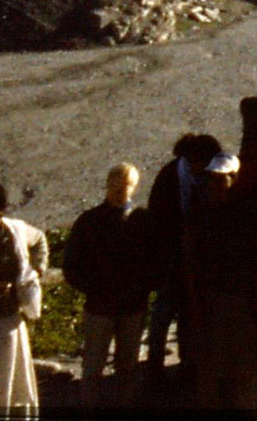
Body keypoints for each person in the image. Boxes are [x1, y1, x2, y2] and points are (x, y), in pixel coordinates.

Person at [183, 153, 257, 413]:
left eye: (223, 178)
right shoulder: (200, 215)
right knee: (211, 364)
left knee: (242, 365)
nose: (218, 183)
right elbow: (190, 260)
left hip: (237, 297)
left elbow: (255, 259)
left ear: (234, 178)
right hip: (210, 297)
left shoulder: (245, 213)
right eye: (214, 178)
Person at [65, 164, 149, 406]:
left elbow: (156, 259)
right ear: (107, 185)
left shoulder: (142, 220)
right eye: (116, 185)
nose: (120, 190)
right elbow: (71, 265)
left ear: (134, 187)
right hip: (100, 307)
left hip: (132, 305)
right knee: (92, 368)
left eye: (126, 186)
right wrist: (92, 288)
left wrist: (143, 288)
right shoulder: (89, 221)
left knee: (127, 368)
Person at [143, 133, 220, 383]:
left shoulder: (194, 175)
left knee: (188, 314)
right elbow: (157, 218)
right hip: (171, 258)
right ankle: (155, 365)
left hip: (195, 258)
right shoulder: (170, 177)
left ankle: (188, 364)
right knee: (164, 312)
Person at [0, 180, 38, 417]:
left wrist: (36, 273)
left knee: (13, 388)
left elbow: (40, 241)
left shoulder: (15, 232)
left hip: (10, 325)